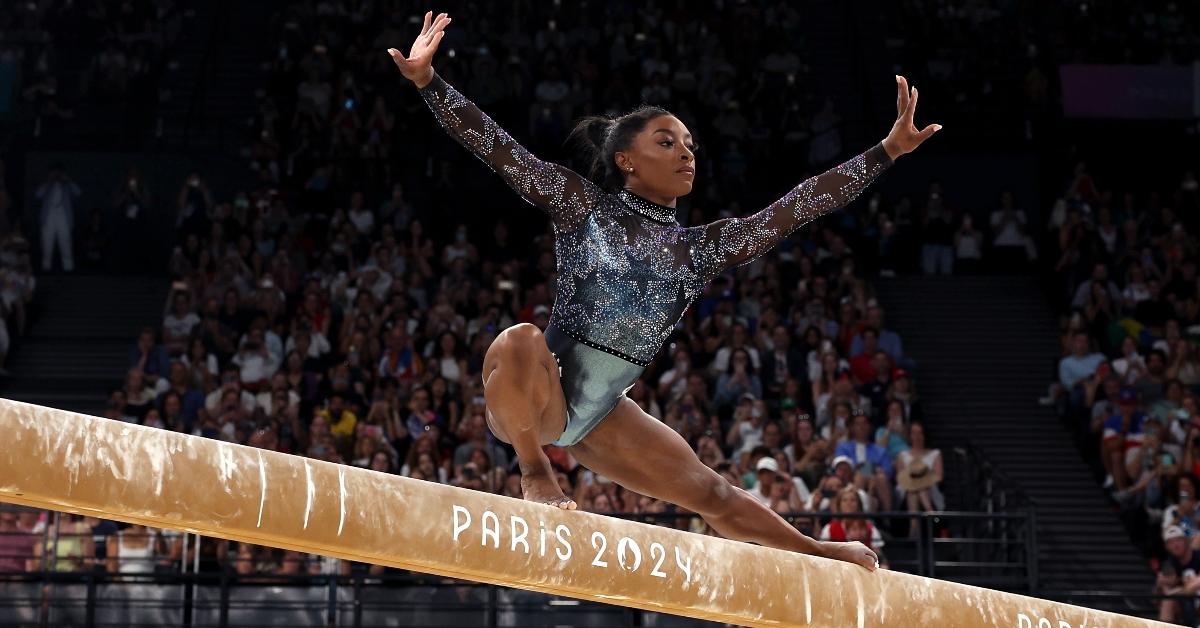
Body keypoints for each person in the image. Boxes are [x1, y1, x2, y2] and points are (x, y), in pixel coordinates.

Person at [389, 10, 940, 571]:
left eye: (690, 144)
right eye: (666, 141)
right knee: (518, 340)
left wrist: (887, 152)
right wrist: (429, 83)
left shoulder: (700, 250)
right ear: (625, 159)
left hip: (602, 413)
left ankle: (819, 551)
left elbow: (800, 205)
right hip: (536, 396)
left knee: (712, 492)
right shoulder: (583, 207)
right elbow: (500, 151)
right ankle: (534, 471)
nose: (686, 153)